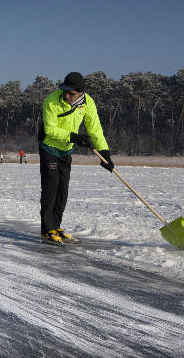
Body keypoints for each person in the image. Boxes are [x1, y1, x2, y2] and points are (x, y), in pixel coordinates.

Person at [39, 72, 114, 244]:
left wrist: (105, 153)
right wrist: (75, 137)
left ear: (80, 92)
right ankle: (47, 229)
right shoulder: (51, 101)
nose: (66, 95)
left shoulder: (88, 103)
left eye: (71, 93)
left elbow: (95, 129)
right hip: (49, 147)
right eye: (65, 91)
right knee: (51, 187)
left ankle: (56, 226)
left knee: (62, 190)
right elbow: (50, 130)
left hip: (66, 150)